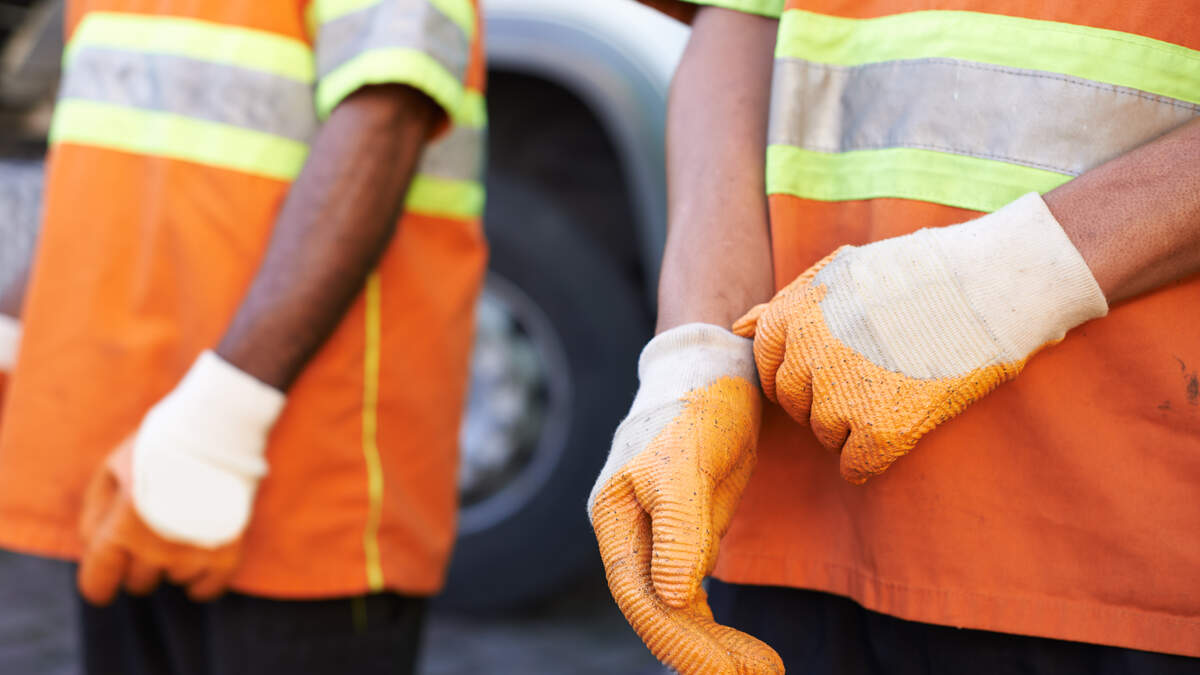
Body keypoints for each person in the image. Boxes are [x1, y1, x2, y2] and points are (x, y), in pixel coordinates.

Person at [589, 2, 1200, 673]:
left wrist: (1006, 278)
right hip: (796, 525)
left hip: (1118, 544)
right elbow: (739, 20)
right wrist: (696, 353)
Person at [0, 0, 487, 672]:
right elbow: (106, 142)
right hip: (122, 474)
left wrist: (221, 421)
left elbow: (387, 115)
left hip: (306, 478)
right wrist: (12, 335)